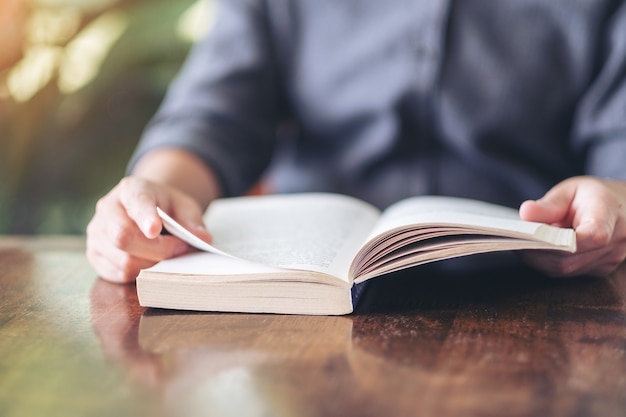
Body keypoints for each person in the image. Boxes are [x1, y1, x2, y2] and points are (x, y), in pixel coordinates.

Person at [86, 0, 626, 283]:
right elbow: (213, 114)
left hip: (539, 293)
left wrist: (611, 203)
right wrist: (154, 196)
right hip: (308, 295)